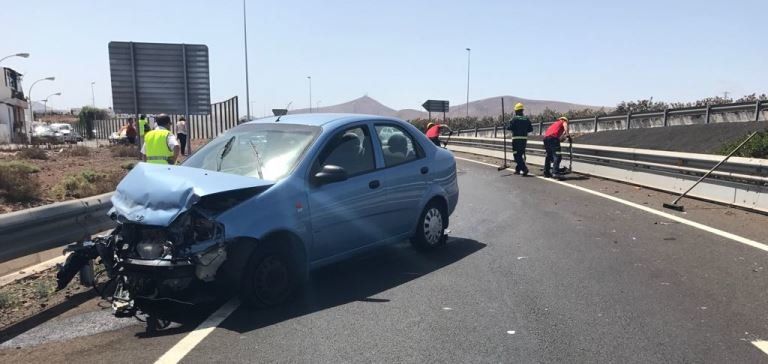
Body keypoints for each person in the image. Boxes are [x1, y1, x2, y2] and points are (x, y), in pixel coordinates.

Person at [506, 102, 533, 176]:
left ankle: (524, 169)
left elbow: (510, 127)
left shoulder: (514, 119)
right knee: (520, 154)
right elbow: (530, 129)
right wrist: (523, 130)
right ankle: (518, 170)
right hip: (524, 139)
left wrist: (506, 124)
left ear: (516, 111)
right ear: (522, 110)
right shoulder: (526, 119)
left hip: (516, 139)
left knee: (516, 155)